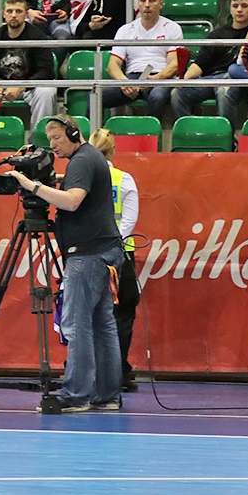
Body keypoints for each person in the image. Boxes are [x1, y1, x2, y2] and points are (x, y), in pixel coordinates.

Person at [5, 116, 123, 412]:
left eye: (57, 137)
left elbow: (71, 201)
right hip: (105, 250)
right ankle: (107, 395)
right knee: (103, 325)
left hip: (87, 256)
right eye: (50, 139)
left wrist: (32, 186)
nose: (53, 145)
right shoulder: (91, 157)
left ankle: (76, 396)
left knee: (77, 325)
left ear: (73, 133)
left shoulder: (81, 161)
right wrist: (50, 182)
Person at [89, 128, 139, 392]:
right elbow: (129, 221)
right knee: (122, 312)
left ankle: (91, 371)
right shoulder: (124, 179)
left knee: (88, 314)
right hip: (120, 255)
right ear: (113, 151)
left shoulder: (82, 177)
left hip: (88, 254)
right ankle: (117, 371)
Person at [171, 0, 248, 132]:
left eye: (244, 6)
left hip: (238, 80)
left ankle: (227, 140)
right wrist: (184, 79)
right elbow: (200, 63)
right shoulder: (218, 34)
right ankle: (192, 134)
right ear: (230, 9)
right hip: (211, 79)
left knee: (224, 91)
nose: (239, 10)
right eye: (235, 6)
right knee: (177, 94)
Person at [98, 0, 182, 122]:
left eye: (152, 0)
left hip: (160, 77)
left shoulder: (172, 28)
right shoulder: (125, 30)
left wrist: (156, 79)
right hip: (132, 78)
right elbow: (112, 65)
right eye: (143, 0)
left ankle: (151, 139)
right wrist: (124, 82)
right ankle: (94, 139)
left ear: (161, 4)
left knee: (157, 97)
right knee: (97, 95)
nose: (147, 5)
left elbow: (174, 64)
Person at [0, 0, 57, 129]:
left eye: (18, 11)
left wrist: (22, 86)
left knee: (46, 92)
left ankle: (38, 140)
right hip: (1, 86)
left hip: (29, 87)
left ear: (25, 14)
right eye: (9, 11)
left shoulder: (37, 37)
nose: (13, 15)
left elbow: (47, 72)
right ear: (3, 14)